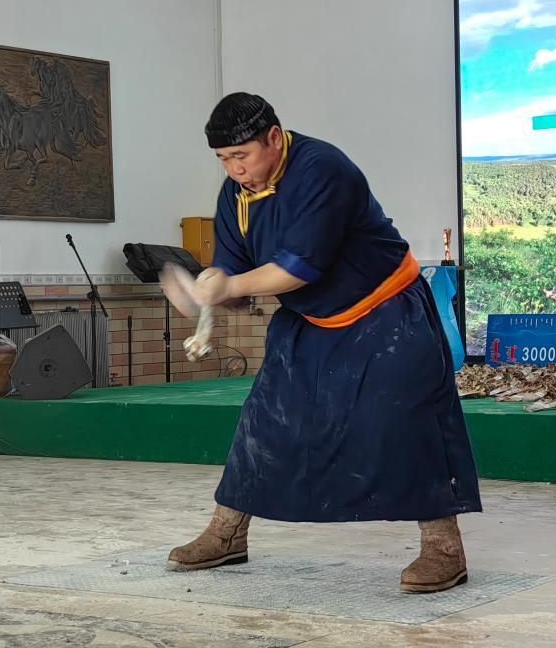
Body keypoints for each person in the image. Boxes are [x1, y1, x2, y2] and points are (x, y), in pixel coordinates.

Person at [164, 92, 482, 593]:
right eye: (224, 160)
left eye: (242, 155)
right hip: (309, 319)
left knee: (406, 422)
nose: (235, 170)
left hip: (386, 309)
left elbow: (299, 268)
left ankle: (444, 548)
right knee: (264, 420)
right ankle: (227, 533)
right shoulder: (235, 196)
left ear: (274, 138)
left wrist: (229, 286)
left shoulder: (322, 168)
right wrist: (206, 292)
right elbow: (235, 277)